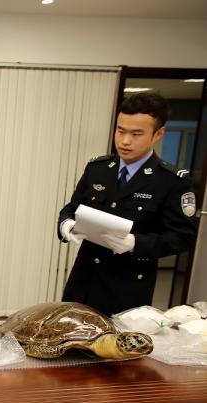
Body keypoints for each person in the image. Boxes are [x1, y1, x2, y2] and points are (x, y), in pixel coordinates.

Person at [58, 91, 198, 316]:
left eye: (136, 134)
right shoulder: (98, 169)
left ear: (158, 134)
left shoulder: (171, 181)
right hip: (83, 284)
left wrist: (136, 243)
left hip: (127, 290)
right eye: (120, 130)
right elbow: (72, 209)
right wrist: (66, 225)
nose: (124, 141)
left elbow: (182, 237)